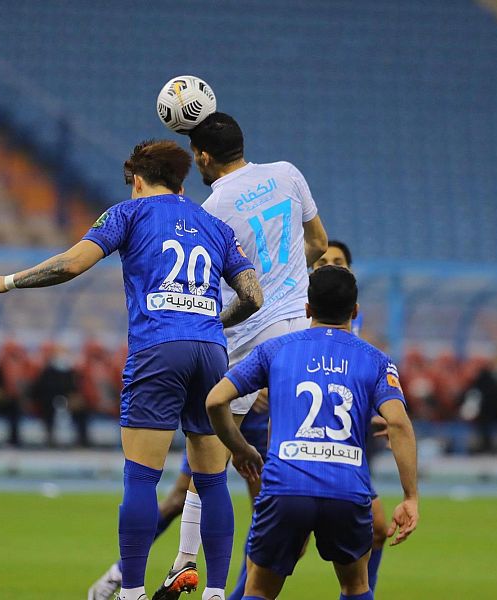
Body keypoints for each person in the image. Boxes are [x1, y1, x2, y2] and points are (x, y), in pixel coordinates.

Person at [0, 139, 264, 600]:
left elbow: (70, 264)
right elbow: (253, 296)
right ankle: (216, 593)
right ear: (183, 183)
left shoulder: (128, 214)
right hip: (210, 351)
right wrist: (207, 321)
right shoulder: (215, 226)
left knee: (142, 477)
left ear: (139, 182)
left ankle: (130, 593)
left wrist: (7, 282)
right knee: (210, 480)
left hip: (158, 349)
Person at [151, 112, 327, 600]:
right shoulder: (289, 174)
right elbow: (318, 242)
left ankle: (186, 563)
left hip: (246, 337)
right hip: (298, 325)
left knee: (208, 454)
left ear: (203, 157)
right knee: (296, 451)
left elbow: (208, 283)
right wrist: (290, 275)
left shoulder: (213, 208)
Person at [206, 266, 419, 600]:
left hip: (285, 487)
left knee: (259, 590)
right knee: (355, 586)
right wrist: (410, 497)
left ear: (307, 309)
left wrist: (240, 448)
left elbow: (216, 400)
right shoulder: (377, 361)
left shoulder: (274, 350)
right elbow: (399, 423)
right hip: (347, 488)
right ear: (355, 311)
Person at [311, 240, 389, 593]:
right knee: (279, 552)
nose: (330, 265)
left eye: (339, 261)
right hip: (306, 440)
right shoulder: (301, 316)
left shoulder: (356, 330)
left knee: (377, 528)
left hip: (348, 442)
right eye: (323, 260)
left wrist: (379, 407)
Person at [31, 345, 88, 447]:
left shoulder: (71, 371)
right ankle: (50, 437)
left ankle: (82, 439)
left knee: (80, 408)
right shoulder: (47, 371)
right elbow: (40, 390)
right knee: (47, 406)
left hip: (67, 399)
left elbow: (75, 389)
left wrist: (73, 397)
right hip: (49, 400)